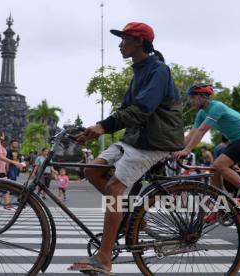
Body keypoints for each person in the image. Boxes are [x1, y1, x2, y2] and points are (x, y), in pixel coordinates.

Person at [70, 22, 184, 274]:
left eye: (125, 39)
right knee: (91, 170)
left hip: (155, 141)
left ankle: (104, 258)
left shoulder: (158, 70)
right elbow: (124, 112)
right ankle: (127, 214)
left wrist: (103, 126)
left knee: (113, 189)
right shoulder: (140, 71)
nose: (120, 44)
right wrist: (94, 130)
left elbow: (142, 109)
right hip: (136, 139)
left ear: (139, 42)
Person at [173, 83, 240, 215]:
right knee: (214, 169)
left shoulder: (216, 107)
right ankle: (219, 205)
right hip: (239, 140)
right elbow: (192, 133)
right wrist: (173, 150)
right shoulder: (201, 113)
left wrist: (187, 151)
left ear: (202, 96)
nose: (191, 100)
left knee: (219, 165)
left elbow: (203, 130)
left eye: (192, 97)